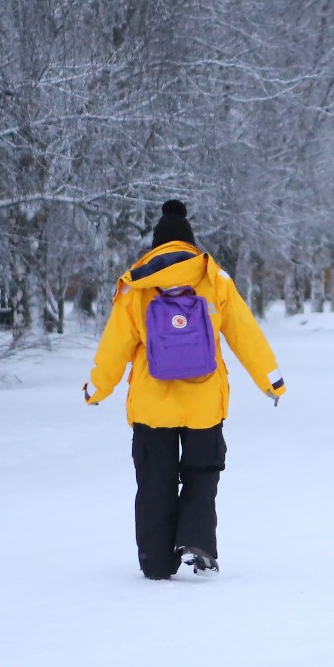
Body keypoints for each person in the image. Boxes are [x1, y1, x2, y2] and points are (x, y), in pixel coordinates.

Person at [84, 200, 285, 579]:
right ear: (191, 243)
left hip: (151, 405)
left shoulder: (136, 286)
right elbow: (245, 334)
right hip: (204, 402)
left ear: (156, 246)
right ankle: (197, 541)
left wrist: (96, 389)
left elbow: (115, 347)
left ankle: (157, 563)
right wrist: (271, 380)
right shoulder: (214, 280)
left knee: (154, 481)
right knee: (202, 472)